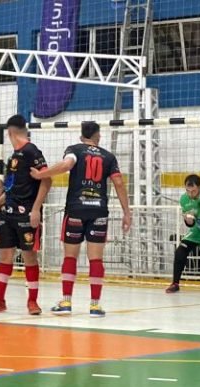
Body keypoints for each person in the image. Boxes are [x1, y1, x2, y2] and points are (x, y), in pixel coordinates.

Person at [30, 122, 132, 316]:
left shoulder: (75, 149)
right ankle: (95, 305)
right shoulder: (109, 157)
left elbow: (66, 165)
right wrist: (126, 212)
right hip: (98, 211)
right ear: (98, 136)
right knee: (96, 259)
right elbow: (118, 182)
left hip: (76, 209)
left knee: (70, 257)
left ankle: (66, 302)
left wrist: (41, 174)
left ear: (81, 136)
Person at [0, 114, 51, 315]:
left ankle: (32, 301)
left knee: (29, 256)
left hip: (26, 215)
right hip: (8, 214)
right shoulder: (13, 156)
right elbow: (11, 188)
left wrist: (36, 208)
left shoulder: (31, 151)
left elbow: (47, 180)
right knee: (5, 256)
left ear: (10, 132)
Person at [165, 174, 200, 293]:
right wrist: (188, 221)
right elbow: (190, 223)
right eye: (188, 190)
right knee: (180, 250)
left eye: (193, 191)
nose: (190, 194)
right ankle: (175, 283)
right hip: (198, 231)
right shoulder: (184, 199)